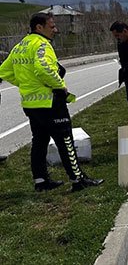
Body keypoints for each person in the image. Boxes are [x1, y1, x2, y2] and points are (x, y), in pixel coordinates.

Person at [0, 14, 103, 192]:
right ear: (39, 27)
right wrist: (60, 86)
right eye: (52, 26)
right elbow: (43, 68)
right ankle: (78, 180)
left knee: (39, 142)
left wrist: (25, 84)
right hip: (50, 102)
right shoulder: (41, 44)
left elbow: (4, 71)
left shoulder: (19, 47)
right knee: (65, 140)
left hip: (31, 105)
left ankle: (41, 181)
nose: (55, 30)